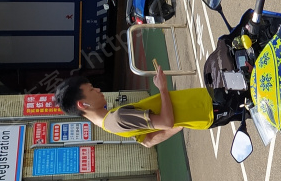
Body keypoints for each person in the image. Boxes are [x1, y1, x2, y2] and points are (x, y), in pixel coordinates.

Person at [54, 62, 240, 147]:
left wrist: (180, 124)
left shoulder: (110, 122)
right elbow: (166, 122)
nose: (98, 89)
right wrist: (162, 88)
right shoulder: (116, 118)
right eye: (91, 89)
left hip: (205, 110)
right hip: (208, 107)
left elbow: (148, 141)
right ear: (83, 104)